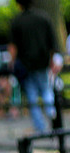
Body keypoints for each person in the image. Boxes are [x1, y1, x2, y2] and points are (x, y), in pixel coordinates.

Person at [9, 0, 62, 133]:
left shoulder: (17, 21)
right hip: (42, 61)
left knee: (32, 96)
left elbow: (13, 47)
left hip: (26, 65)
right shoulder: (43, 17)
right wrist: (52, 59)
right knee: (46, 90)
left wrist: (12, 63)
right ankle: (52, 115)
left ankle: (40, 127)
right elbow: (52, 42)